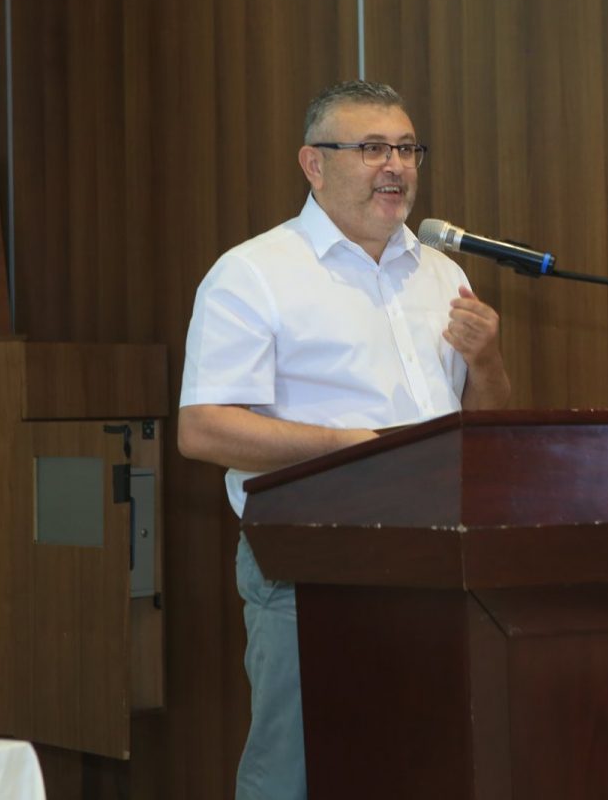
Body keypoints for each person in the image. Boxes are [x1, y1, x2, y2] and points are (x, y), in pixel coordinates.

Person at [176, 79, 511, 800]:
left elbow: (484, 434)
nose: (396, 166)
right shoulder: (255, 273)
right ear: (314, 164)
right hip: (309, 559)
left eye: (407, 149)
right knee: (296, 771)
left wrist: (486, 361)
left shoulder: (442, 273)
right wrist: (349, 444)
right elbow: (203, 427)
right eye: (371, 148)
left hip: (438, 557)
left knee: (422, 765)